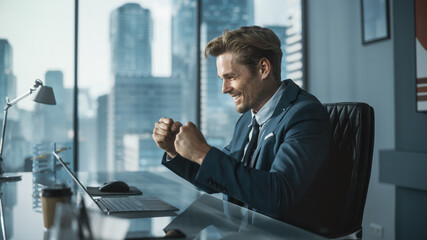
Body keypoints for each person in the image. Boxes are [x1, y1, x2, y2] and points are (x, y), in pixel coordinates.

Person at [152, 26, 331, 222]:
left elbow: (279, 196)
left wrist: (203, 152)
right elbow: (221, 179)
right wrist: (174, 151)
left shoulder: (304, 115)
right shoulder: (248, 118)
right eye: (221, 79)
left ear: (263, 68)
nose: (224, 89)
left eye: (231, 77)